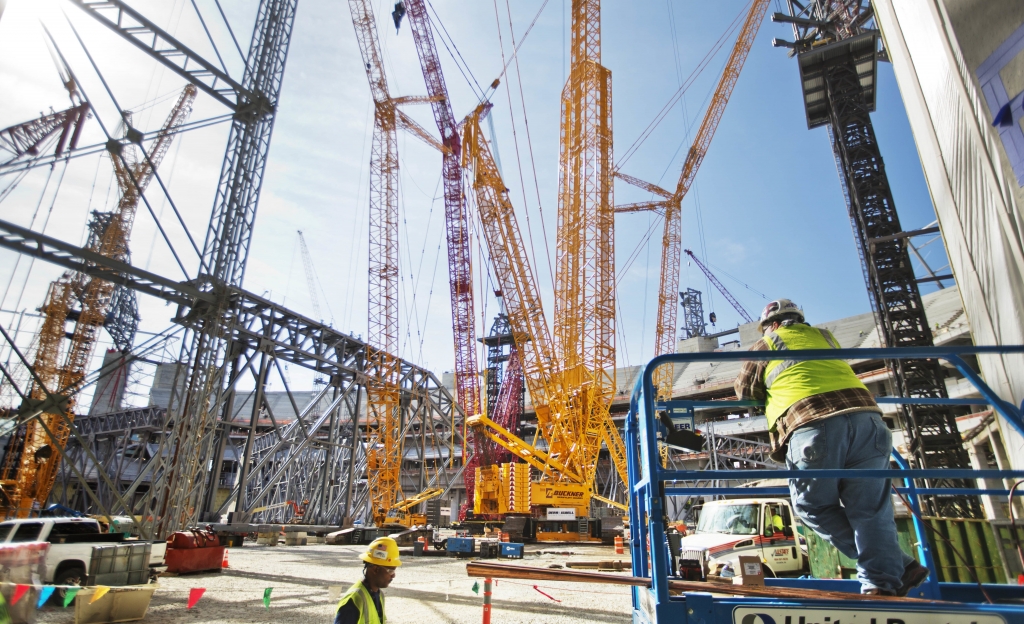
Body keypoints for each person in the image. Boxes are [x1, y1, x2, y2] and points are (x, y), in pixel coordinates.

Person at [734, 299, 929, 596]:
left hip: (814, 422)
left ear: (771, 325)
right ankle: (883, 583)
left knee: (812, 506)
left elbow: (744, 391)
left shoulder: (768, 343)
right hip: (870, 421)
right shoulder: (826, 336)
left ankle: (897, 566)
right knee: (871, 512)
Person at [334, 536, 401, 624]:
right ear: (375, 569)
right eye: (390, 570)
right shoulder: (353, 600)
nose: (393, 575)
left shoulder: (379, 595)